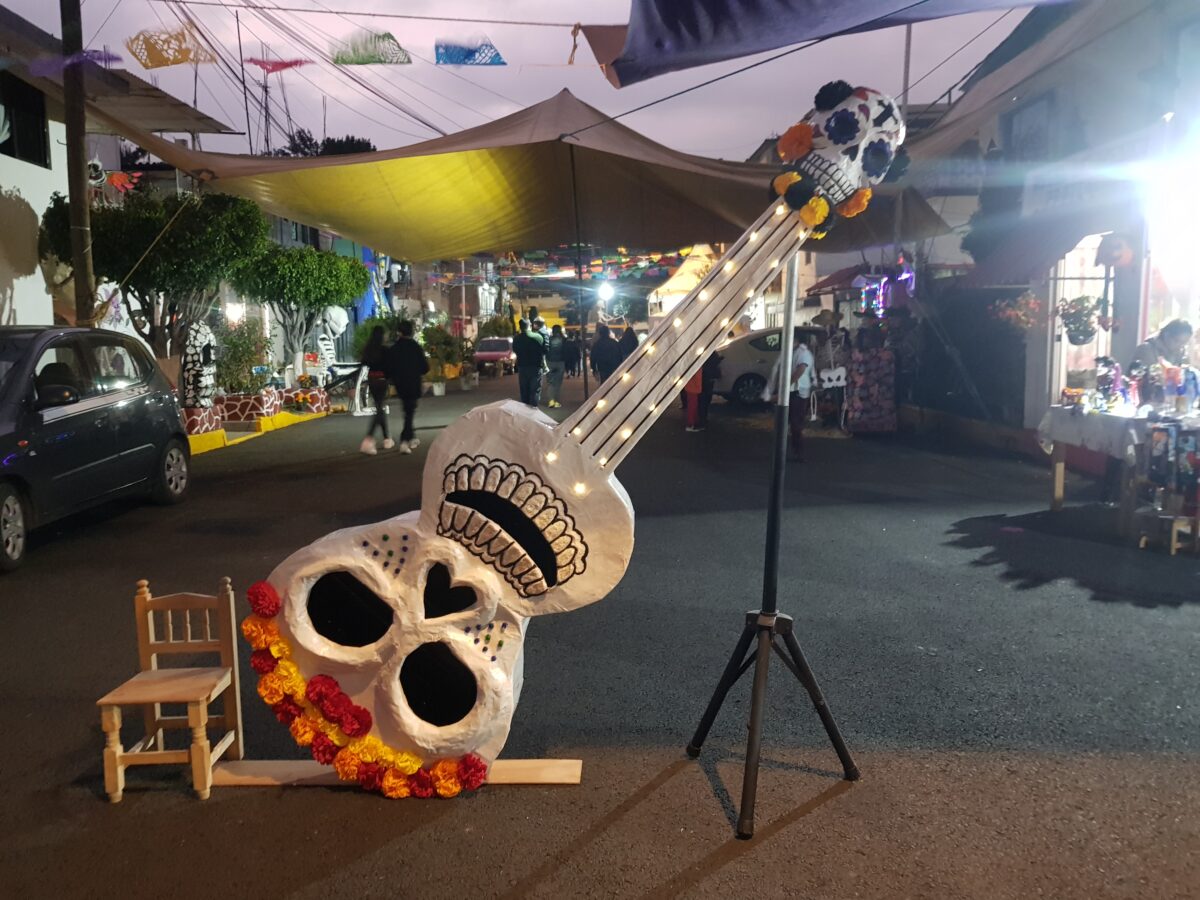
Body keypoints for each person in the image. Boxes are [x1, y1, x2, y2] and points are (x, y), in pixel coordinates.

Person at [764, 331, 815, 461]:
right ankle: (788, 450)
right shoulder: (792, 352)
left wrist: (784, 388)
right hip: (793, 390)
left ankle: (798, 451)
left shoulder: (803, 353)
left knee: (795, 423)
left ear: (796, 340)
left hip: (798, 392)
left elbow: (800, 370)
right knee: (788, 422)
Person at [385, 319, 429, 454]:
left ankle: (411, 437)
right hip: (413, 383)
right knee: (409, 412)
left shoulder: (394, 349)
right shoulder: (416, 347)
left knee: (408, 410)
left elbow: (389, 368)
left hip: (400, 384)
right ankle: (404, 441)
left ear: (399, 332)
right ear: (411, 332)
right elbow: (425, 368)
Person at [359, 326, 392, 455]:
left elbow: (364, 363)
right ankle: (369, 438)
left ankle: (387, 438)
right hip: (382, 380)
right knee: (379, 409)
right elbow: (389, 366)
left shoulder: (368, 349)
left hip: (372, 379)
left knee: (379, 407)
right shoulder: (385, 350)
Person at [512, 318, 546, 406]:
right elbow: (544, 350)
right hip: (536, 367)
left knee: (524, 390)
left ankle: (525, 409)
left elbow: (515, 350)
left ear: (520, 327)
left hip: (522, 366)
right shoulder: (538, 337)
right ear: (530, 326)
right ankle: (533, 409)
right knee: (535, 390)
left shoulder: (517, 338)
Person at [544, 324, 567, 408]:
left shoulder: (548, 339)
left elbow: (545, 351)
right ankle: (556, 401)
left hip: (549, 362)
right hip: (560, 362)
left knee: (550, 383)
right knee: (558, 383)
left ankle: (551, 401)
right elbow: (566, 351)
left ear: (553, 331)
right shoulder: (564, 339)